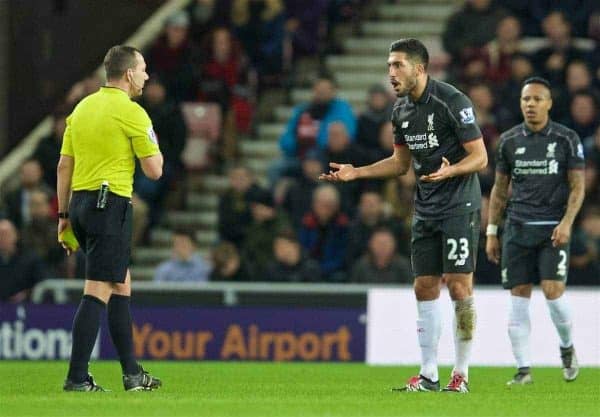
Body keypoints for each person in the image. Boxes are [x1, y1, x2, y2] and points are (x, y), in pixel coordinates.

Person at [320, 38, 487, 392]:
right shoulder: (400, 111)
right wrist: (357, 172)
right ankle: (428, 374)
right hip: (425, 206)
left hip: (459, 204)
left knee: (458, 285)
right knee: (424, 286)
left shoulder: (452, 101)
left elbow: (480, 157)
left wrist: (451, 171)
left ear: (420, 68)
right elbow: (400, 164)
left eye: (398, 65)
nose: (391, 73)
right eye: (388, 66)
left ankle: (461, 375)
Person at [57, 45, 163, 392]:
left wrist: (62, 215)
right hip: (110, 204)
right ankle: (76, 377)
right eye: (143, 69)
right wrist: (152, 141)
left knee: (121, 282)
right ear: (130, 73)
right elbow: (154, 170)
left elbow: (64, 166)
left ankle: (133, 374)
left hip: (80, 205)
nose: (146, 75)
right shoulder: (132, 112)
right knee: (98, 289)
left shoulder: (82, 107)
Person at [486, 77, 585, 385]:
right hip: (517, 229)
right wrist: (492, 231)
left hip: (552, 230)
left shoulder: (566, 139)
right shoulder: (509, 141)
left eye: (537, 99)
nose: (530, 104)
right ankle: (523, 369)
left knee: (554, 293)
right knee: (518, 297)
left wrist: (567, 222)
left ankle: (567, 347)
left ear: (549, 103)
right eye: (526, 99)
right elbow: (500, 190)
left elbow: (577, 187)